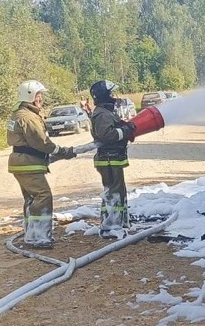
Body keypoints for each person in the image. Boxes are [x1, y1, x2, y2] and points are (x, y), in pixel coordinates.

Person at [7, 80, 76, 248]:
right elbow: (41, 142)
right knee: (43, 196)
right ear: (29, 96)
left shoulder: (20, 113)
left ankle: (31, 235)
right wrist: (61, 151)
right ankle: (38, 237)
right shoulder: (27, 117)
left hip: (22, 161)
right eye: (38, 95)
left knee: (31, 198)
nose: (40, 98)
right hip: (28, 162)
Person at [84, 80, 135, 239]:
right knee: (113, 192)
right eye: (111, 93)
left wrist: (123, 127)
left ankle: (118, 223)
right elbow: (107, 135)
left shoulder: (105, 112)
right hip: (108, 159)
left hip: (112, 159)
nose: (114, 96)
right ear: (104, 95)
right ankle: (110, 227)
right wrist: (125, 131)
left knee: (118, 191)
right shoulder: (102, 114)